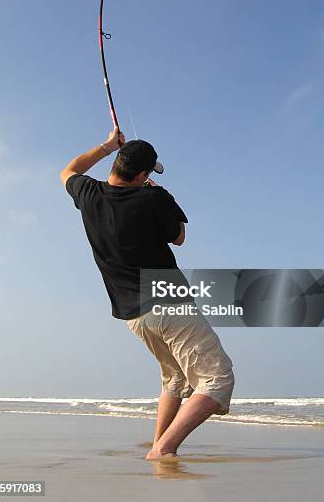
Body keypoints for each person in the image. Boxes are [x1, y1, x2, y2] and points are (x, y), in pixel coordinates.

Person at [60, 127, 234, 459]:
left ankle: (158, 445)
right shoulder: (155, 198)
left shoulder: (89, 194)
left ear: (116, 164)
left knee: (175, 379)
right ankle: (164, 450)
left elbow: (69, 171)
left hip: (134, 316)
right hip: (170, 305)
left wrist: (107, 145)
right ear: (142, 174)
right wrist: (156, 193)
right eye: (147, 174)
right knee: (218, 379)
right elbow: (179, 236)